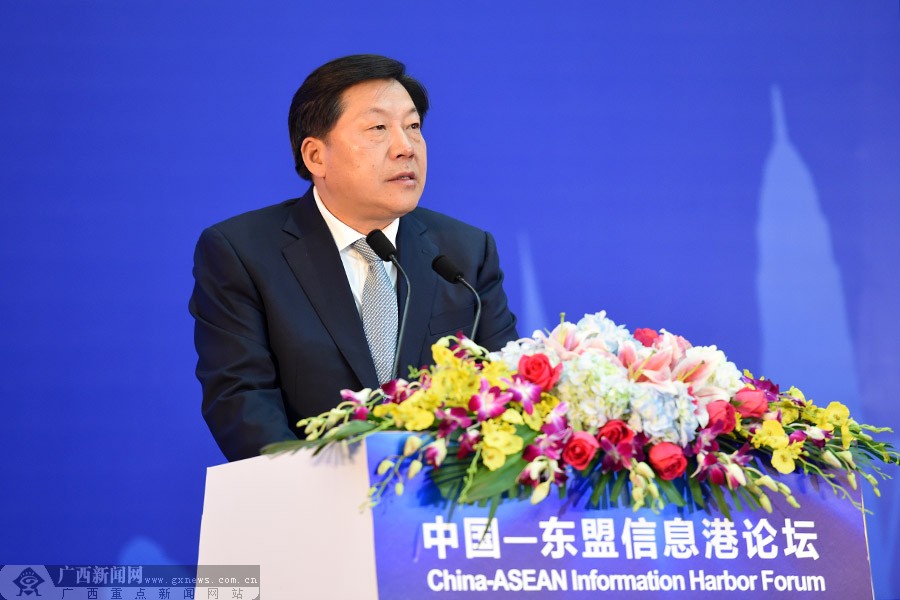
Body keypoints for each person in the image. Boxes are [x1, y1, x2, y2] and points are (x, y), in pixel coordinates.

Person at [189, 54, 518, 462]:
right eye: (378, 128)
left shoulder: (465, 252)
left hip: (438, 492)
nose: (405, 148)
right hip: (309, 493)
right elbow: (242, 403)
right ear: (316, 156)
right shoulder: (243, 252)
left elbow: (506, 391)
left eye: (413, 127)